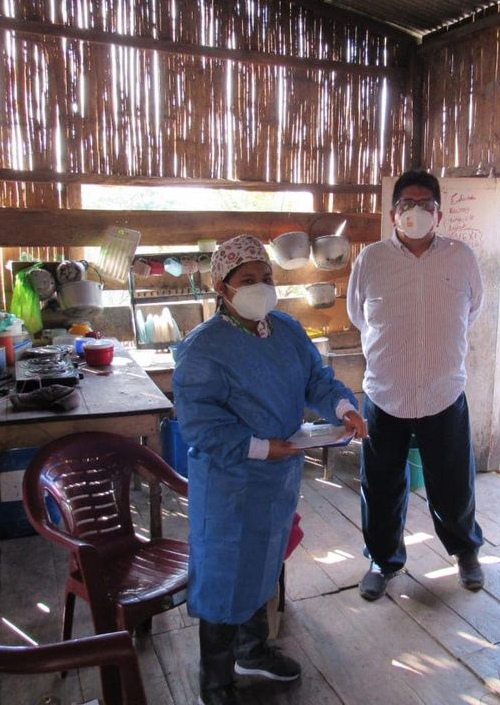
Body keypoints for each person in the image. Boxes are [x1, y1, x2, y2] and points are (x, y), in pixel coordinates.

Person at [173, 234, 367, 705]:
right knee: (224, 574)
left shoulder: (286, 329)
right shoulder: (203, 348)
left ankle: (253, 651)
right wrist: (262, 447)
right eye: (247, 280)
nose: (259, 287)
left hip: (276, 477)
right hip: (229, 481)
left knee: (263, 561)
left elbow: (316, 379)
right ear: (222, 287)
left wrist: (343, 408)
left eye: (266, 277)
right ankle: (215, 681)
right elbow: (201, 425)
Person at [347, 169, 485, 601]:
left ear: (439, 214)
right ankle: (382, 560)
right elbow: (358, 316)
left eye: (426, 204)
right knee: (381, 485)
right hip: (386, 393)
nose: (416, 212)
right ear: (393, 213)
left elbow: (472, 310)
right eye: (407, 204)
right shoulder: (371, 260)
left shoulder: (461, 257)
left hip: (443, 392)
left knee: (453, 483)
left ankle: (465, 551)